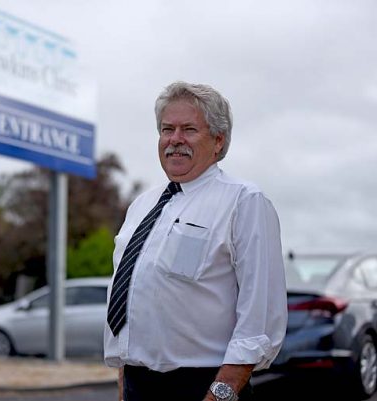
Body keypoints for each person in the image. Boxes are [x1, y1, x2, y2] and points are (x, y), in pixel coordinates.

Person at [104, 81, 287, 401]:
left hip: (204, 385)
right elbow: (131, 298)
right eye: (167, 129)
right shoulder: (141, 206)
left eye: (188, 129)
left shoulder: (244, 201)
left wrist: (221, 394)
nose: (175, 139)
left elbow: (259, 318)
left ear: (218, 140)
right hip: (138, 383)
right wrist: (124, 382)